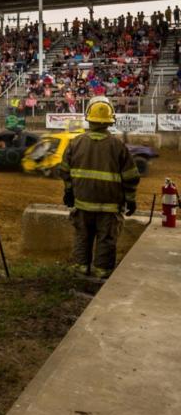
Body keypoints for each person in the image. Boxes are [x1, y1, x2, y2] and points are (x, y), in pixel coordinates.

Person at [60, 97, 140, 280]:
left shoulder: (75, 143)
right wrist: (131, 198)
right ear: (110, 121)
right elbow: (130, 176)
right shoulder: (117, 145)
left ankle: (81, 269)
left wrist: (68, 191)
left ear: (89, 118)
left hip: (82, 204)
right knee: (106, 239)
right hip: (109, 207)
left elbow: (64, 171)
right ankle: (102, 272)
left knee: (82, 236)